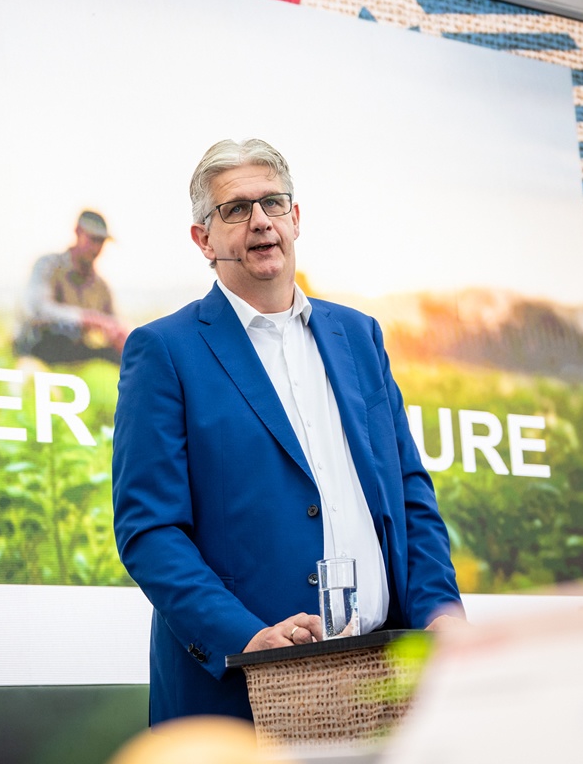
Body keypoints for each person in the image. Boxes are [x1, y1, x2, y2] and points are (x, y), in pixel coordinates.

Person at [111, 139, 466, 725]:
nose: (260, 222)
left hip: (387, 684)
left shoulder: (360, 337)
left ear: (295, 219)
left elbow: (409, 495)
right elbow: (150, 530)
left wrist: (440, 613)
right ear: (204, 239)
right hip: (245, 698)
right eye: (235, 209)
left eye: (273, 203)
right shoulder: (165, 351)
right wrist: (245, 637)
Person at [14, 210, 128, 365]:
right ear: (78, 233)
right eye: (92, 239)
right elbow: (37, 309)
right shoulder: (48, 266)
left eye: (100, 242)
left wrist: (119, 334)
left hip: (76, 352)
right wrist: (86, 319)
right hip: (39, 346)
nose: (96, 248)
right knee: (56, 338)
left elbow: (113, 322)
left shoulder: (101, 287)